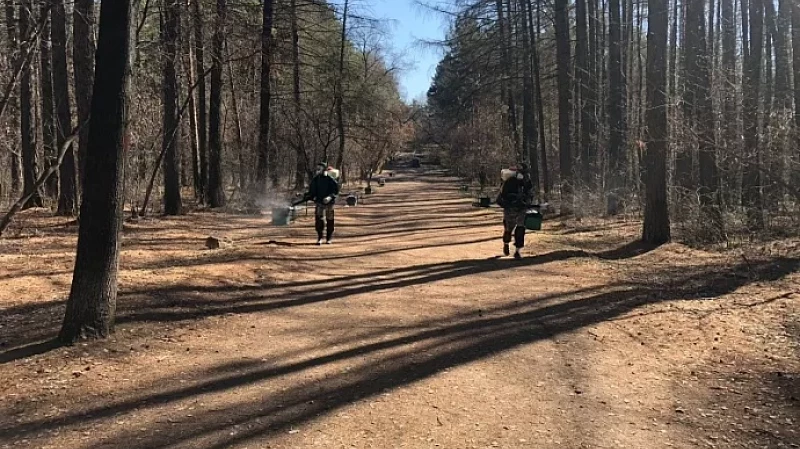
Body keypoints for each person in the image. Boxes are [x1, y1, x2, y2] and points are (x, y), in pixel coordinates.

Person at [296, 162, 340, 245]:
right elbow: (312, 192)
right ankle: (320, 238)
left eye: (319, 168)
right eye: (317, 168)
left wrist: (329, 197)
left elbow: (335, 191)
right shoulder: (316, 179)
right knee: (319, 221)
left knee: (330, 220)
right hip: (319, 202)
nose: (317, 170)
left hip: (329, 203)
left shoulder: (331, 179)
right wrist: (304, 195)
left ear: (324, 169)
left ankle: (329, 238)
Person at [496, 163, 534, 259]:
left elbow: (530, 193)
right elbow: (503, 195)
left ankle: (516, 250)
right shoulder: (513, 181)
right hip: (513, 208)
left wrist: (528, 201)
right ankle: (508, 245)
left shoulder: (524, 181)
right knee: (511, 229)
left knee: (518, 228)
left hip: (518, 208)